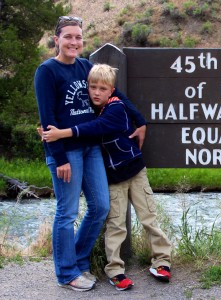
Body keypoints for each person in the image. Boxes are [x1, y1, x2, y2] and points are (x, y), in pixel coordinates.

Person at [34, 16, 146, 292]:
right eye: (68, 36)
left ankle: (79, 261)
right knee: (67, 212)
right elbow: (47, 118)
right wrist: (58, 157)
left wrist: (139, 120)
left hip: (91, 147)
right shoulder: (47, 71)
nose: (74, 42)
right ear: (56, 38)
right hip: (66, 152)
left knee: (100, 207)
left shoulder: (85, 66)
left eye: (78, 37)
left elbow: (114, 93)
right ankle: (66, 273)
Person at [42, 64, 173, 291]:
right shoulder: (91, 108)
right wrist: (50, 134)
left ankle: (162, 261)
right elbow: (79, 119)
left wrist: (61, 133)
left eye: (103, 88)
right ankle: (114, 269)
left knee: (149, 217)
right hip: (112, 177)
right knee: (115, 224)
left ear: (111, 90)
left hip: (135, 172)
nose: (96, 92)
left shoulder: (116, 108)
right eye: (92, 87)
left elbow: (98, 127)